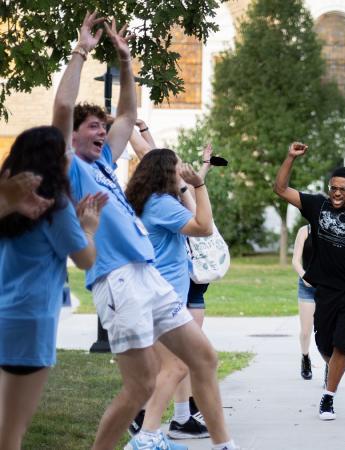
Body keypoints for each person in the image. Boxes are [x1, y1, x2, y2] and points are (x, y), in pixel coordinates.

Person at [51, 12, 236, 449]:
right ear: (74, 137)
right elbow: (61, 108)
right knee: (140, 385)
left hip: (148, 274)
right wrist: (81, 52)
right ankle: (136, 441)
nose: (103, 131)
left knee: (203, 357)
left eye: (103, 126)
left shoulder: (103, 165)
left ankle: (224, 445)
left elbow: (129, 113)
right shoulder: (70, 166)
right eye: (93, 127)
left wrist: (127, 60)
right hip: (115, 279)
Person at [0, 126, 104, 449]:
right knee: (11, 432)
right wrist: (88, 227)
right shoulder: (54, 205)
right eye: (65, 152)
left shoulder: (9, 201)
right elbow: (85, 258)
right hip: (30, 323)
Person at [273, 142, 345, 422]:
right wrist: (290, 157)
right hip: (324, 290)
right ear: (329, 187)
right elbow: (280, 189)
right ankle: (333, 368)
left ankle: (328, 397)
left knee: (342, 344)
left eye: (343, 189)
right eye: (334, 188)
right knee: (324, 344)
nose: (338, 193)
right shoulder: (317, 205)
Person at [124, 148, 216, 442]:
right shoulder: (161, 204)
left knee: (162, 368)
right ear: (166, 173)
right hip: (162, 299)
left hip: (155, 296)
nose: (182, 171)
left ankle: (148, 426)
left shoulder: (148, 201)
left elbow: (191, 218)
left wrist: (187, 186)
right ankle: (146, 434)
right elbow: (203, 227)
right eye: (178, 168)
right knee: (178, 365)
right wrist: (198, 186)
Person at [292, 223, 316, 380]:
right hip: (307, 285)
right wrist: (304, 276)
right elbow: (295, 261)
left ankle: (330, 366)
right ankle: (305, 358)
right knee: (306, 331)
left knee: (329, 332)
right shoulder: (304, 231)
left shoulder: (333, 230)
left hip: (328, 287)